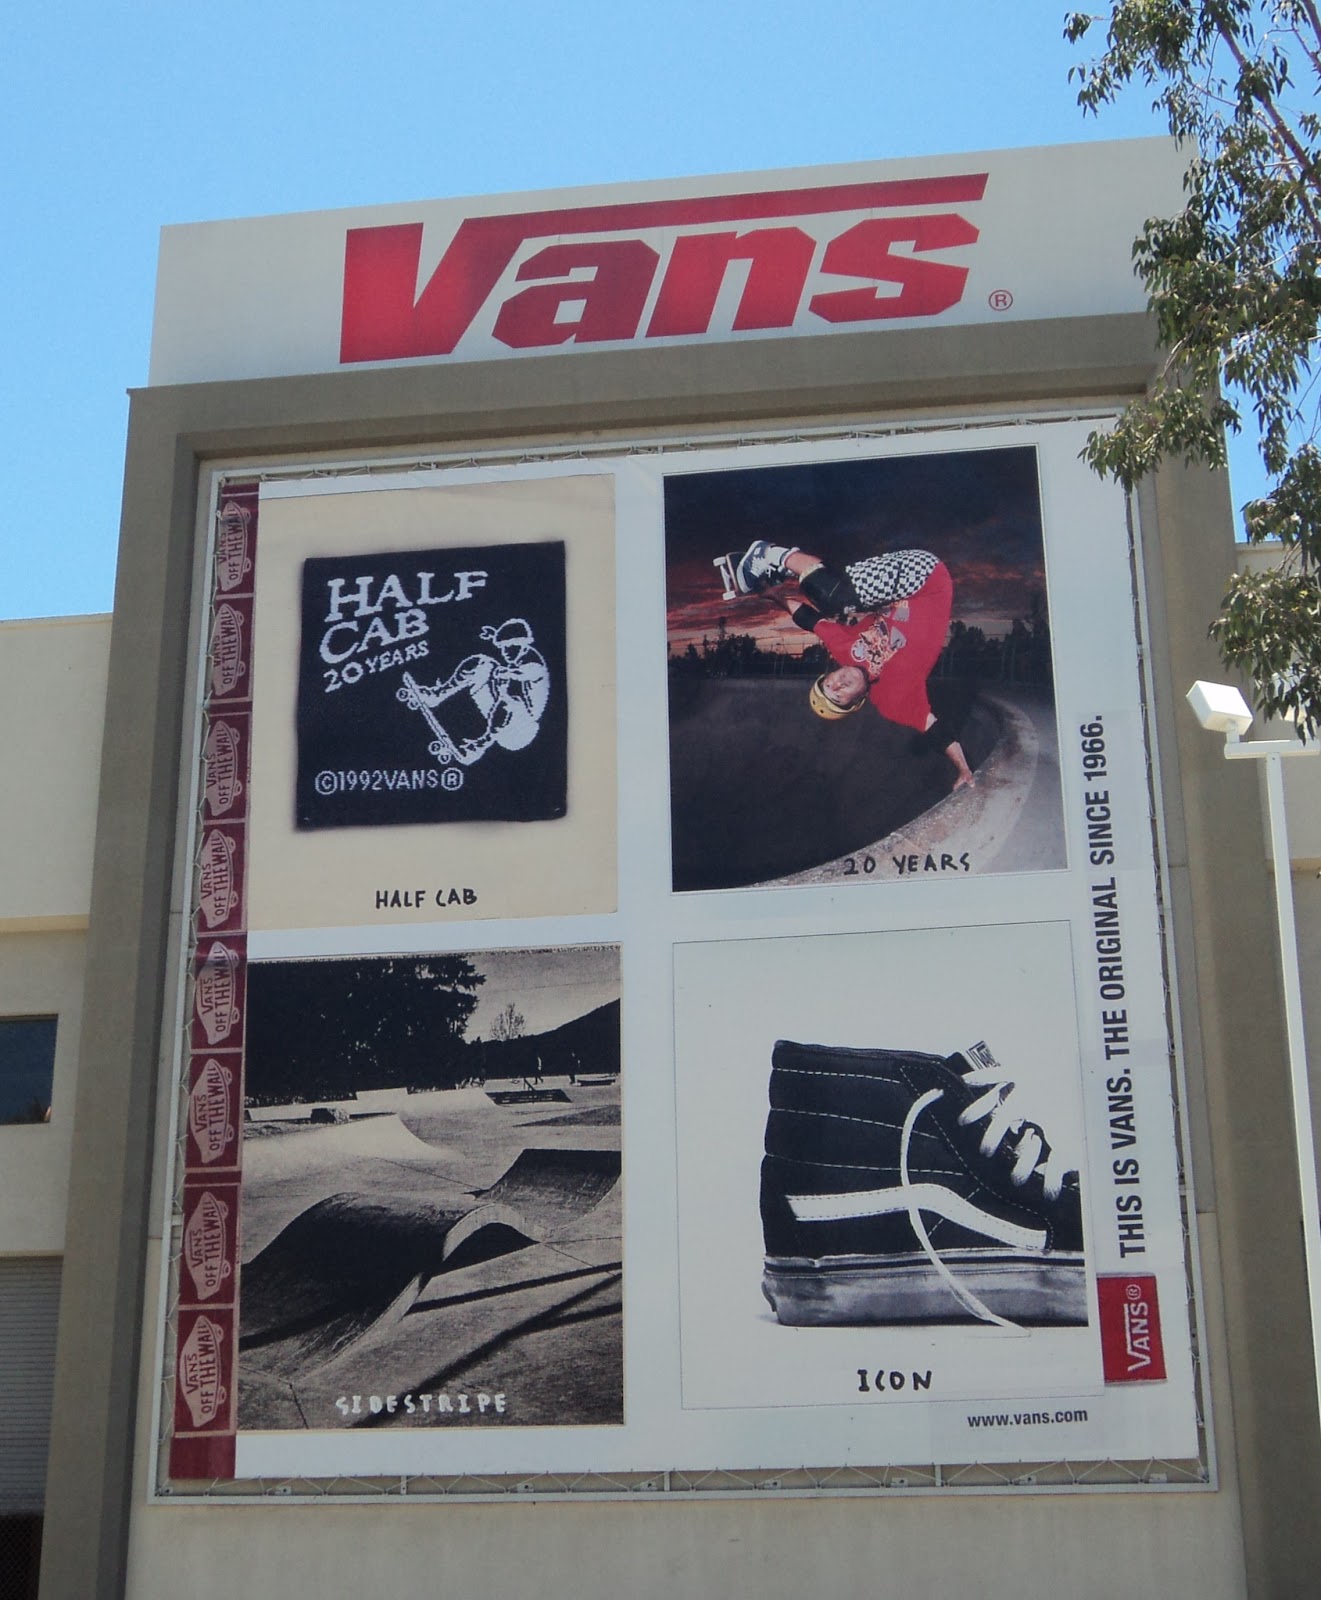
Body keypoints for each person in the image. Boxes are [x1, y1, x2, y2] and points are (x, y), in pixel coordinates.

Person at [733, 540, 975, 790]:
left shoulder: (843, 650)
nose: (838, 684)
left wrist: (774, 595)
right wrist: (963, 769)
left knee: (834, 597)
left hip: (908, 577)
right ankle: (779, 560)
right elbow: (937, 733)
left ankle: (769, 555)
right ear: (856, 702)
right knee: (836, 597)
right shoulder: (893, 701)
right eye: (839, 696)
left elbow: (809, 619)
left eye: (829, 684)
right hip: (929, 584)